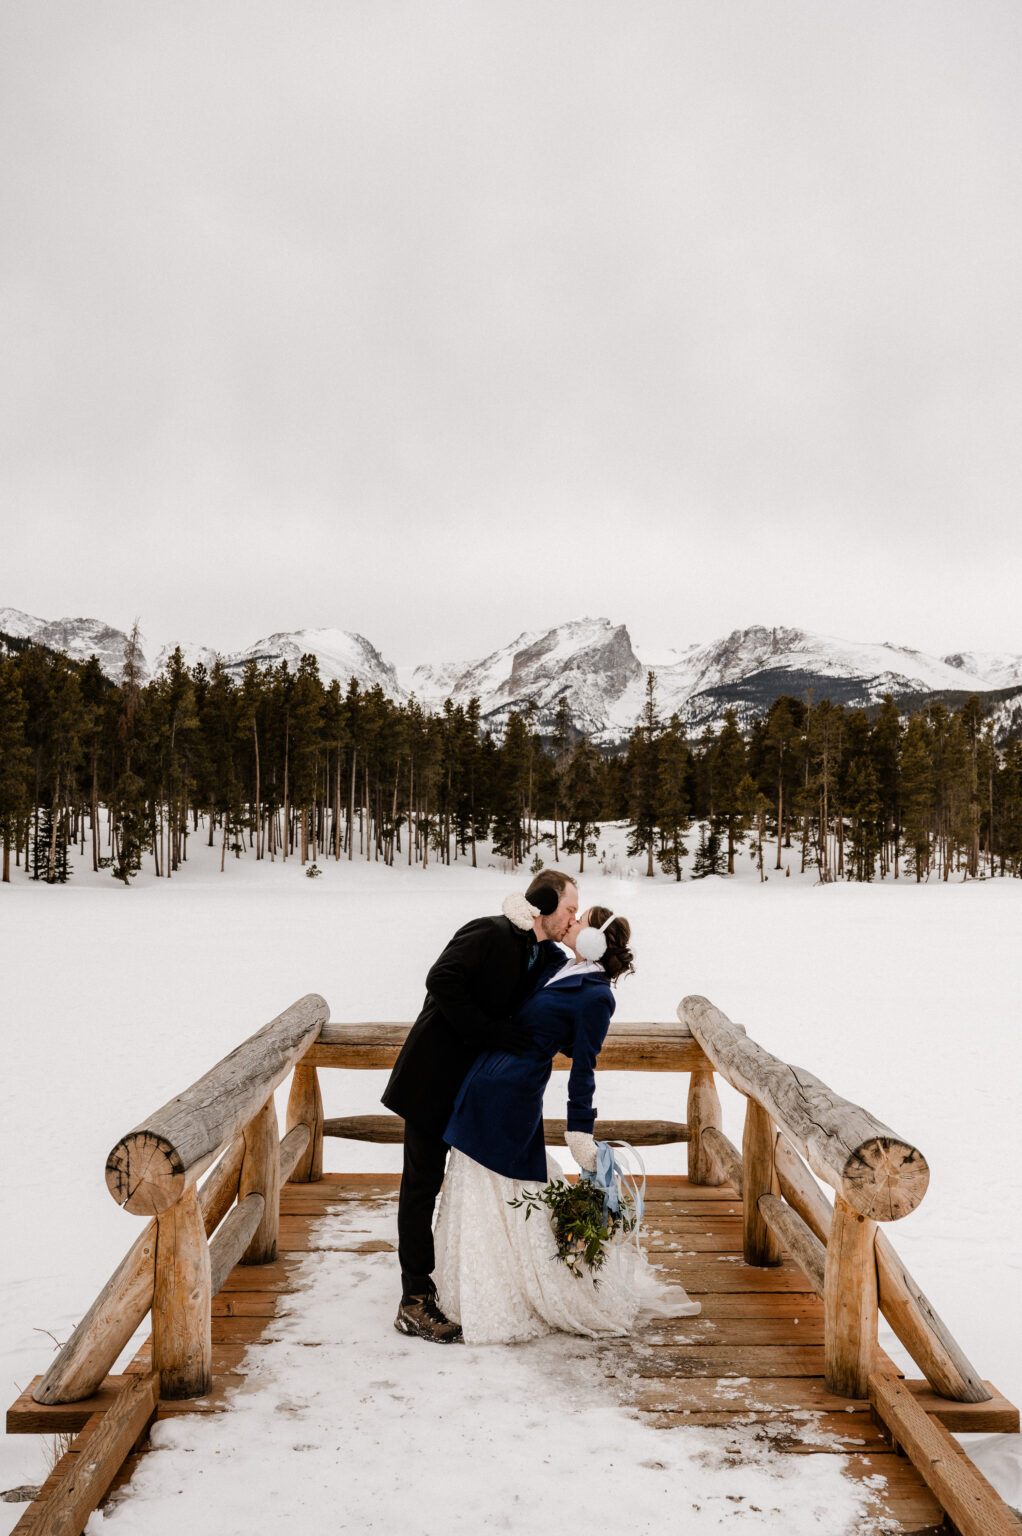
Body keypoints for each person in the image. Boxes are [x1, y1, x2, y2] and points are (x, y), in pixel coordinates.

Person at [433, 907, 701, 1344]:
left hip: (512, 1093)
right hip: (487, 1078)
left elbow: (584, 1068)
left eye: (580, 921)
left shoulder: (597, 995)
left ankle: (512, 1286)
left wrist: (579, 1130)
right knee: (487, 1187)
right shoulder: (562, 966)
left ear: (596, 939)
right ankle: (476, 1275)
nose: (570, 923)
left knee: (507, 1183)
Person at [382, 869, 579, 1342]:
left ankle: (463, 1278)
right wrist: (491, 1032)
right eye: (569, 908)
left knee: (472, 1190)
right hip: (433, 1079)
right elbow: (442, 980)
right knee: (422, 1186)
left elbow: (560, 999)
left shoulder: (547, 954)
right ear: (544, 902)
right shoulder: (488, 931)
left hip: (479, 1093)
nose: (573, 917)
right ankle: (413, 1299)